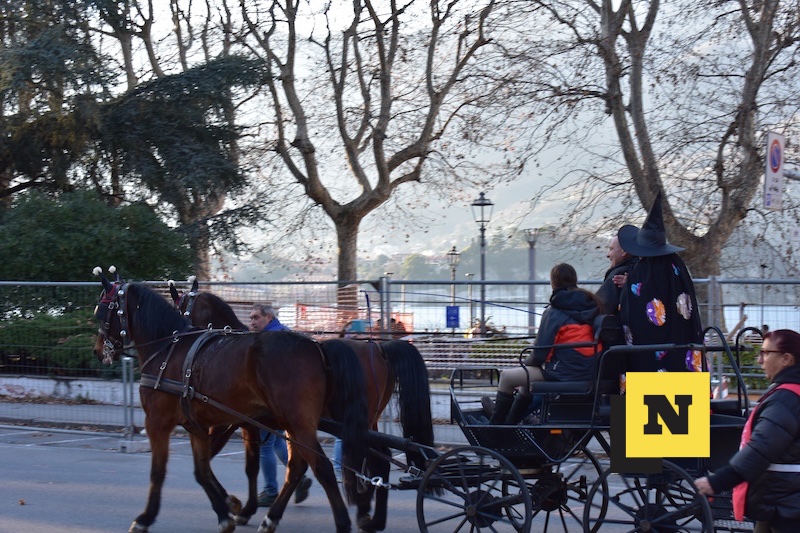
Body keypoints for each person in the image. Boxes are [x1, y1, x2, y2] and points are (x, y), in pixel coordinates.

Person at [694, 329, 800, 532]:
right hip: (783, 502)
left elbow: (761, 449)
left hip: (785, 505)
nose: (760, 360)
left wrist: (720, 480)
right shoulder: (789, 394)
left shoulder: (785, 399)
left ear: (786, 359)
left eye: (766, 353)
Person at [481, 263, 600, 424]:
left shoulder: (555, 311)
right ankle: (508, 423)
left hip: (565, 374)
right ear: (574, 280)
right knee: (526, 383)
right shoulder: (591, 306)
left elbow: (539, 354)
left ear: (553, 282)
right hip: (589, 372)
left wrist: (524, 365)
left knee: (507, 377)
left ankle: (495, 428)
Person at [617, 192, 703, 374]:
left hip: (646, 365)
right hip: (681, 359)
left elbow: (632, 310)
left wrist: (629, 285)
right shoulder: (676, 265)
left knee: (649, 398)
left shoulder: (642, 270)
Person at [249, 303, 313, 506]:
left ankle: (270, 491)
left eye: (256, 318)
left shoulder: (270, 339)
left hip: (272, 401)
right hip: (284, 400)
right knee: (276, 441)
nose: (252, 322)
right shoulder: (283, 332)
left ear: (268, 317)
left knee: (265, 445)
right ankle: (299, 478)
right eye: (251, 318)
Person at [595, 235, 637, 315]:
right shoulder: (641, 273)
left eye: (611, 249)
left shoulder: (618, 275)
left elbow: (600, 307)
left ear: (624, 251)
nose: (608, 255)